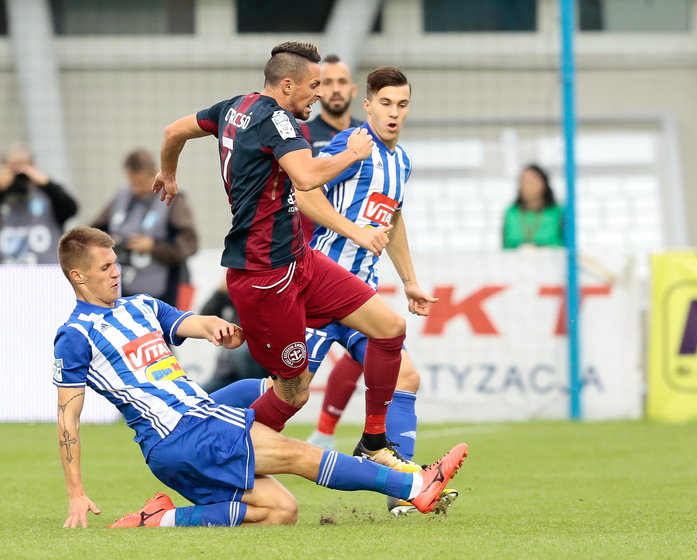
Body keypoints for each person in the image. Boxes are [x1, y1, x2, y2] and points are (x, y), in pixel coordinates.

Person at [53, 226, 467, 529]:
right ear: (78, 276)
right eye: (105, 267)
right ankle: (415, 487)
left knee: (280, 512)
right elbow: (67, 421)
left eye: (115, 263)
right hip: (181, 433)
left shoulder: (140, 306)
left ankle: (160, 519)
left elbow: (191, 322)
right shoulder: (75, 336)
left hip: (183, 441)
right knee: (296, 454)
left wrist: (218, 327)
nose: (116, 272)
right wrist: (75, 493)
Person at [153, 41, 416, 472]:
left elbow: (172, 132)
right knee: (292, 392)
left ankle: (373, 440)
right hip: (265, 275)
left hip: (300, 260)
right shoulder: (280, 121)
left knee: (390, 328)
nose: (318, 93)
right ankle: (214, 452)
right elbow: (308, 176)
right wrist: (353, 152)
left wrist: (169, 172)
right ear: (288, 85)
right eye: (314, 85)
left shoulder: (233, 107)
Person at [297, 67, 449, 516]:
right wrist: (354, 232)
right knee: (288, 393)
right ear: (368, 106)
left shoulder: (401, 161)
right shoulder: (351, 144)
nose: (394, 113)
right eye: (385, 104)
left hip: (359, 296)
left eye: (402, 105)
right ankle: (211, 424)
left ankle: (399, 492)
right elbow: (304, 192)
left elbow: (392, 219)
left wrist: (409, 281)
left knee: (406, 375)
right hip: (321, 288)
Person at [91, 149, 198, 307]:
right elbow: (94, 232)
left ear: (155, 174)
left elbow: (189, 245)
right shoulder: (122, 196)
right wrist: (110, 242)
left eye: (141, 183)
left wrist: (153, 247)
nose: (137, 189)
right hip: (123, 290)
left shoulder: (173, 200)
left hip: (165, 294)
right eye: (133, 183)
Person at [0, 143, 77, 264]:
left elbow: (71, 209)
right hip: (2, 275)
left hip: (46, 274)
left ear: (34, 166)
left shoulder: (48, 196)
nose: (19, 173)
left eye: (24, 166)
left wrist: (47, 184)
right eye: (13, 167)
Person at [299, 53, 364, 241]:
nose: (335, 89)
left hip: (357, 248)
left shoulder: (368, 135)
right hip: (312, 248)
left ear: (353, 90)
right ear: (317, 89)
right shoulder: (300, 135)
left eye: (342, 82)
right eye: (327, 82)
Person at [502, 164, 564, 249]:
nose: (527, 186)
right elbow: (507, 246)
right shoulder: (511, 213)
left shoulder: (557, 212)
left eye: (531, 181)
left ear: (544, 183)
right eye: (523, 181)